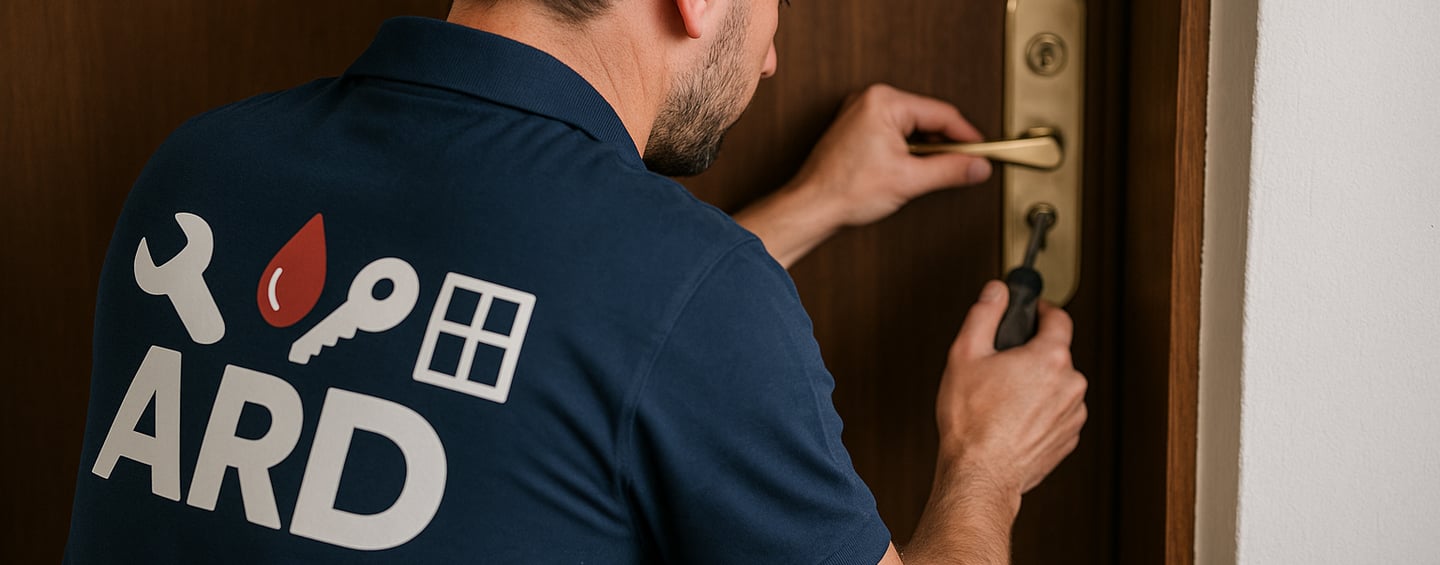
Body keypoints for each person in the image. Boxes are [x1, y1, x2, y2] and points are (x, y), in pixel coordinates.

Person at [64, 0, 1087, 563]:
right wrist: (984, 465)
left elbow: (566, 353)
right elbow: (619, 332)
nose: (773, 61)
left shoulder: (199, 173)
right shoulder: (691, 292)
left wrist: (814, 204)